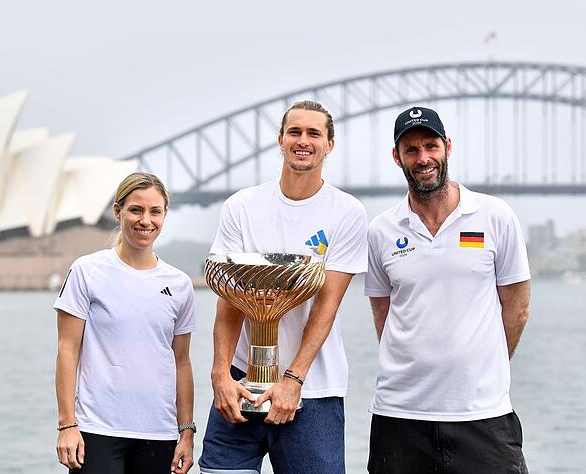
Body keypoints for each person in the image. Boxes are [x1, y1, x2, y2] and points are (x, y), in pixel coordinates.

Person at [198, 101, 368, 474]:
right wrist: (220, 375)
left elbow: (327, 306)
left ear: (330, 144)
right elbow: (229, 302)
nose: (303, 141)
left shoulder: (347, 212)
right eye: (294, 132)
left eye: (313, 133)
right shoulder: (242, 206)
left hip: (313, 388)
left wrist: (293, 379)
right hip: (241, 381)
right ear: (280, 139)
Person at [364, 107, 531, 473]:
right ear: (397, 157)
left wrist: (479, 368)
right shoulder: (381, 230)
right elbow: (384, 315)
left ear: (447, 147)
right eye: (411, 149)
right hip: (400, 416)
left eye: (431, 146)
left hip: (482, 414)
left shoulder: (495, 216)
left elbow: (516, 310)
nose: (423, 158)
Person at [53, 172, 197, 474]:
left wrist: (186, 431)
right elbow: (68, 350)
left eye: (155, 211)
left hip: (158, 434)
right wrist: (67, 424)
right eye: (136, 210)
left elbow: (181, 362)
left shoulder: (180, 284)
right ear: (118, 212)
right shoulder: (87, 271)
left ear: (165, 215)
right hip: (97, 430)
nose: (145, 220)